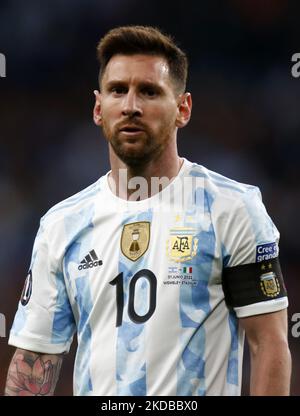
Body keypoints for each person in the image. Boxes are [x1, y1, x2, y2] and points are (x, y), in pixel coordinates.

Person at [5, 25, 291, 396]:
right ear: (98, 107)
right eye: (118, 90)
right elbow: (34, 363)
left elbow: (268, 344)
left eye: (150, 92)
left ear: (182, 109)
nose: (131, 106)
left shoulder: (230, 208)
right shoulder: (62, 224)